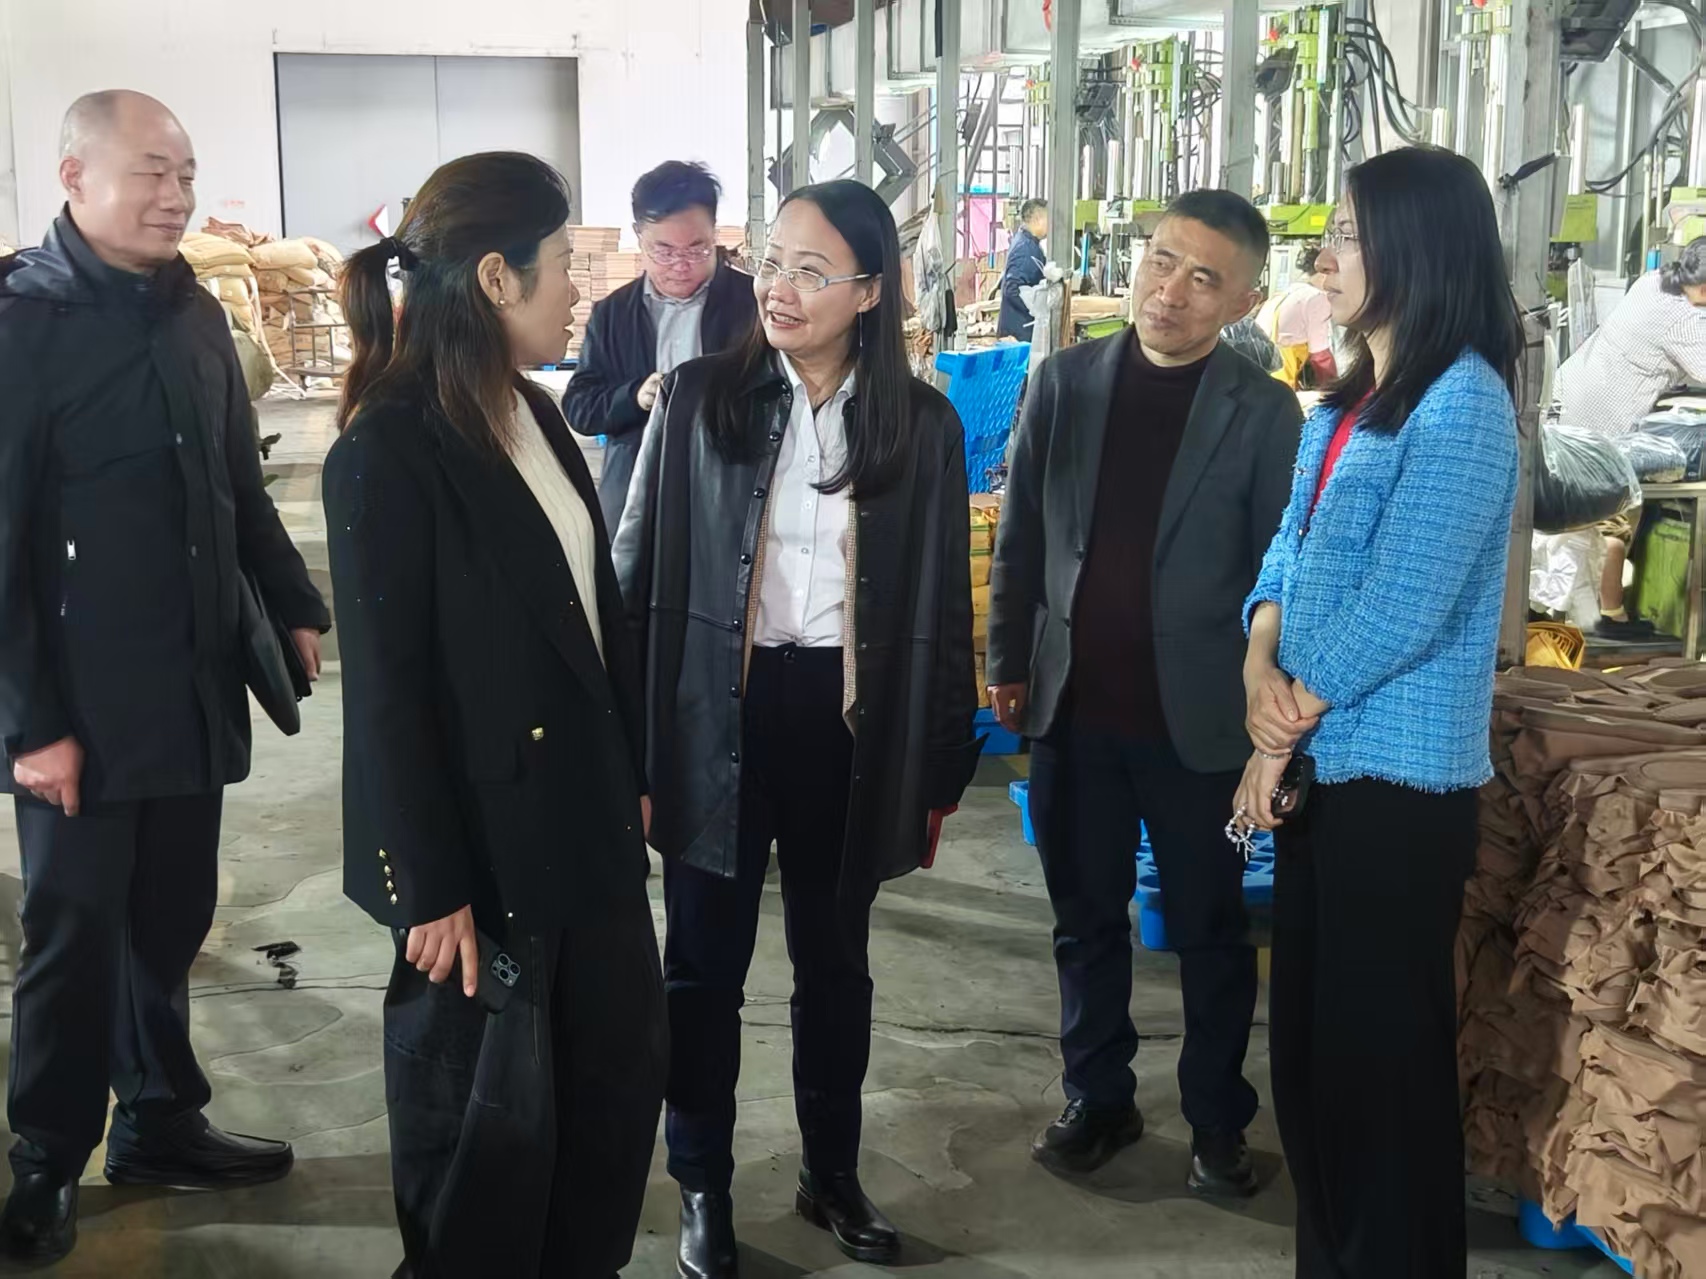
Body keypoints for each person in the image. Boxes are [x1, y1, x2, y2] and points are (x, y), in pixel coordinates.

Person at [613, 179, 981, 1279]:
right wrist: (630, 744)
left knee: (835, 965)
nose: (779, 288)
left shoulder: (920, 425)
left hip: (845, 726)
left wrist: (940, 762)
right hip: (714, 717)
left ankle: (831, 1172)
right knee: (701, 970)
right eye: (772, 261)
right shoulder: (698, 401)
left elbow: (942, 609)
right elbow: (634, 577)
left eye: (812, 272)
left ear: (868, 292)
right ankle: (703, 1185)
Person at [323, 151, 666, 1279]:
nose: (580, 289)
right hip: (483, 860)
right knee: (485, 1145)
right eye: (564, 264)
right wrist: (426, 883)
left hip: (587, 831)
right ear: (495, 277)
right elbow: (386, 692)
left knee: (606, 1101)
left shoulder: (532, 411)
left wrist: (631, 769)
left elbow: (590, 613)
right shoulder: (388, 446)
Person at [0, 91, 328, 1265]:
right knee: (73, 934)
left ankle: (158, 1120)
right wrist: (30, 725)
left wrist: (290, 602)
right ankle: (45, 1155)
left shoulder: (193, 312)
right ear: (73, 175)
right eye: (150, 171)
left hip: (189, 687)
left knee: (171, 918)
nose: (175, 195)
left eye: (184, 172)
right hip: (81, 710)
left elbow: (238, 483)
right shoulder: (23, 328)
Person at [1235, 145, 1523, 1278]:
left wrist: (1282, 722)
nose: (1327, 258)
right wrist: (1259, 659)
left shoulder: (1466, 404)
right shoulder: (1347, 399)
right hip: (1322, 766)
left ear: (1416, 246)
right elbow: (1289, 547)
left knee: (1380, 1076)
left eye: (1348, 236)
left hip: (1395, 793)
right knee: (1312, 1066)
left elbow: (1406, 598)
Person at [986, 190, 1302, 1197]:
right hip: (1074, 707)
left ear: (1243, 299)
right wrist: (1006, 658)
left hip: (1197, 723)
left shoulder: (1263, 412)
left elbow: (1279, 571)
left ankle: (1217, 1119)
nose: (1170, 290)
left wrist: (1271, 717)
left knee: (1210, 931)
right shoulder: (1064, 381)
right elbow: (1023, 531)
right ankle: (1098, 1096)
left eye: (1204, 277)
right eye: (1161, 260)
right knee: (1083, 918)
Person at [562, 160, 758, 530]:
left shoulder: (754, 305)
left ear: (714, 232)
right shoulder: (613, 314)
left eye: (697, 249)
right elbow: (580, 407)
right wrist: (635, 396)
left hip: (731, 494)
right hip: (636, 498)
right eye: (664, 250)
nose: (681, 265)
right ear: (639, 236)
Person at [1557, 238, 1706, 639]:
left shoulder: (1654, 280)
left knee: (1583, 516)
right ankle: (1607, 617)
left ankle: (1584, 610)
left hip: (1572, 392)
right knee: (1617, 514)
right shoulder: (1684, 319)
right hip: (1604, 419)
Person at [1261, 246, 1336, 389]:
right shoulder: (1316, 298)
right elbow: (1320, 356)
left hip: (1258, 379)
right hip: (1279, 383)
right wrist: (1336, 388)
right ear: (1323, 273)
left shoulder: (1282, 295)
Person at [998, 198, 1049, 340]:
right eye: (1048, 219)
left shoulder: (1029, 243)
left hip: (1022, 328)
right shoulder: (1025, 249)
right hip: (1019, 331)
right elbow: (1012, 289)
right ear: (1038, 219)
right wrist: (1036, 309)